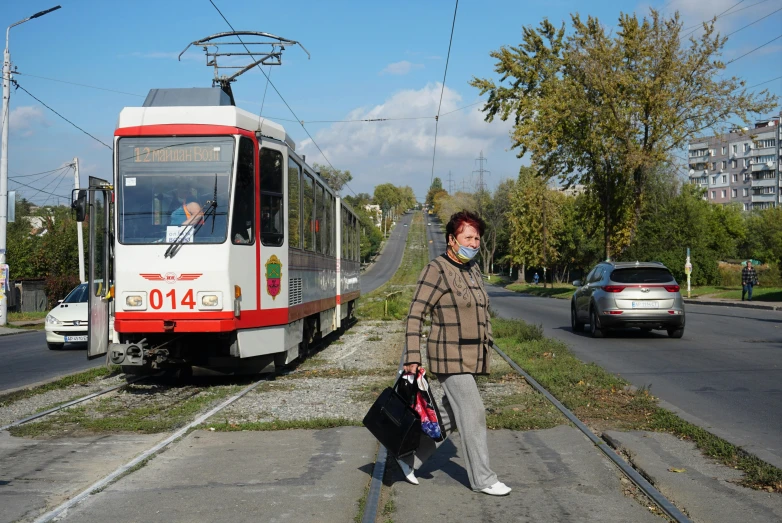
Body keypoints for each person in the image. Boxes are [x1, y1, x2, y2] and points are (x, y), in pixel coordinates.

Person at [399, 209, 511, 497]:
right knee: (473, 411)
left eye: (477, 238)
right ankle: (483, 479)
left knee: (450, 413)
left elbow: (479, 311)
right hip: (448, 355)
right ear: (451, 239)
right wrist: (413, 356)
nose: (474, 243)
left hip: (472, 355)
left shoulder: (472, 269)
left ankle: (408, 457)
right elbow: (415, 315)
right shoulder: (436, 269)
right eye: (468, 237)